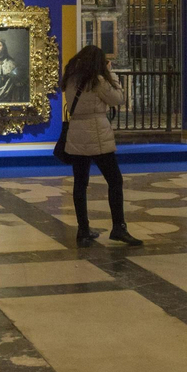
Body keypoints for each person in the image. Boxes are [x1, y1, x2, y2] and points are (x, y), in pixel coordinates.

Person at [59, 46, 142, 247]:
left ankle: (83, 229)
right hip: (97, 134)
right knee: (115, 180)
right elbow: (118, 99)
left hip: (77, 133)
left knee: (80, 183)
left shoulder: (71, 80)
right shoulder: (98, 81)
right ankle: (119, 227)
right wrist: (111, 73)